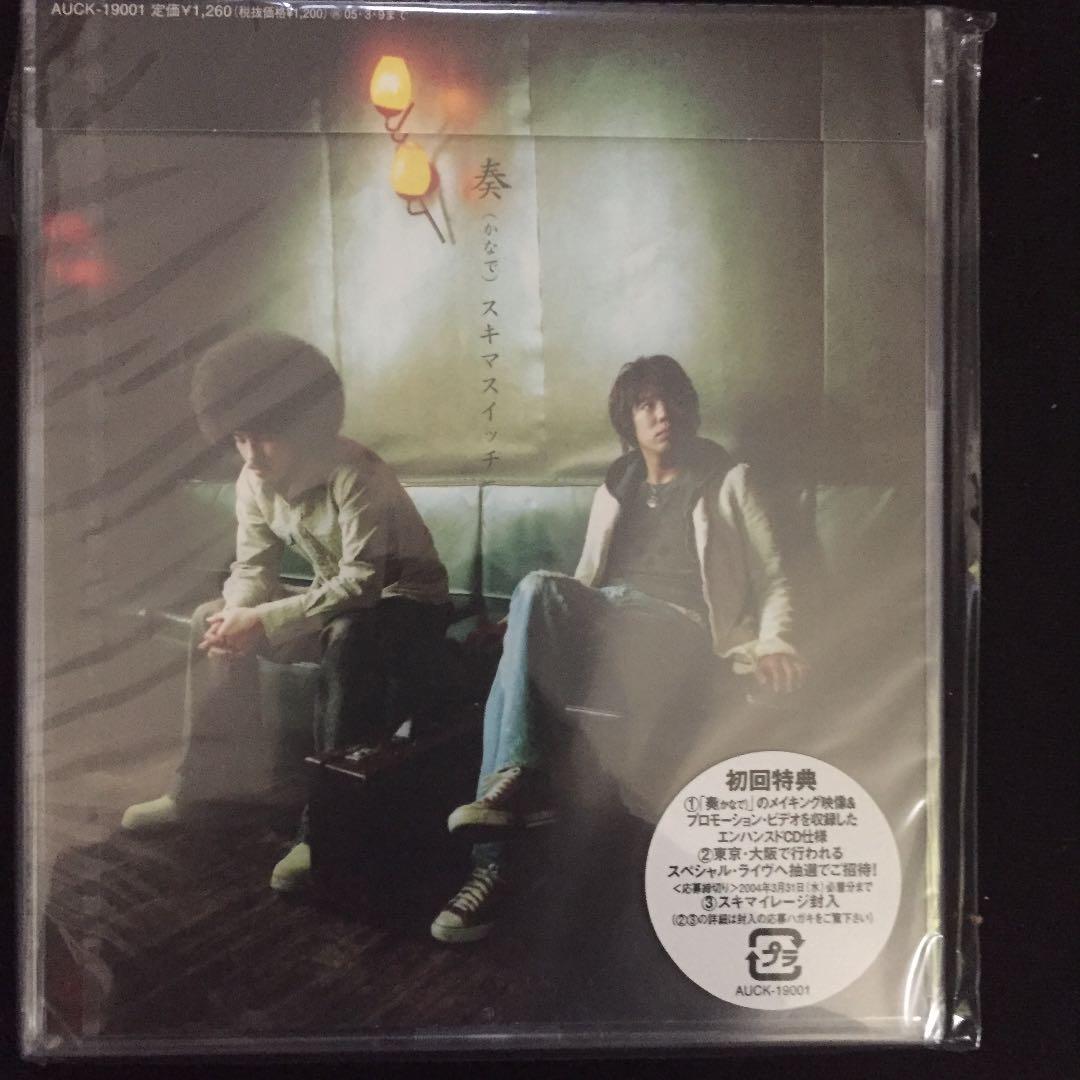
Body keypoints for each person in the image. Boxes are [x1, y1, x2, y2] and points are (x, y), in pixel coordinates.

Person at [430, 355, 807, 943]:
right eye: (645, 404)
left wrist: (775, 642)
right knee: (523, 628)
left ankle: (500, 848)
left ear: (689, 408)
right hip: (610, 613)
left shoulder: (730, 478)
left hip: (680, 625)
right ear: (627, 420)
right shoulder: (620, 479)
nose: (662, 414)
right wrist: (524, 621)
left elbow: (776, 577)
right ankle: (505, 828)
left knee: (532, 612)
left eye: (672, 400)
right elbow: (588, 574)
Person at [121, 331, 451, 893]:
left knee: (349, 633)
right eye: (240, 439)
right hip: (338, 601)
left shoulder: (357, 472)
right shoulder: (252, 479)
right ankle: (202, 792)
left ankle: (324, 830)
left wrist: (263, 620)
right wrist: (234, 617)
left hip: (408, 609)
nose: (251, 456)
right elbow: (253, 568)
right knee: (208, 617)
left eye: (266, 438)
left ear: (305, 425)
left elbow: (364, 584)